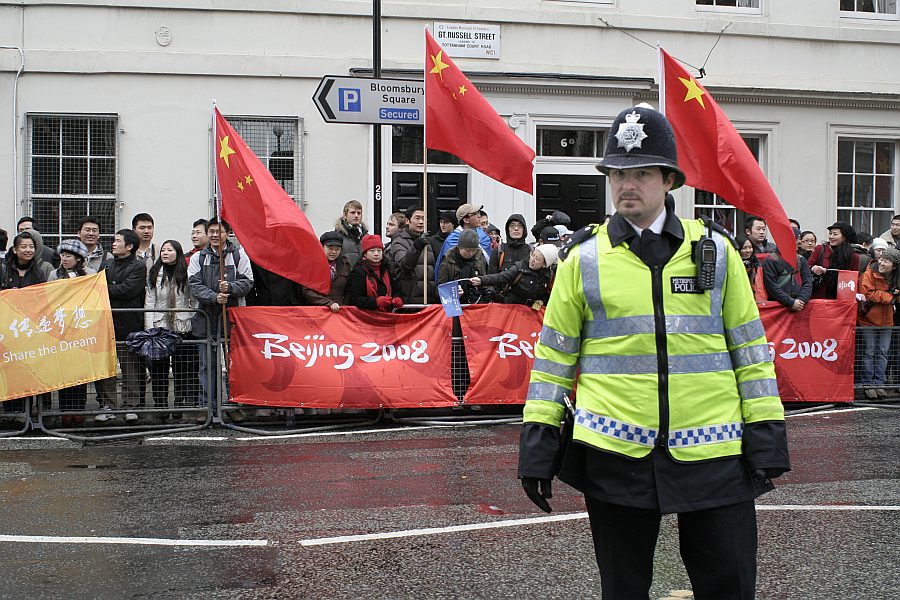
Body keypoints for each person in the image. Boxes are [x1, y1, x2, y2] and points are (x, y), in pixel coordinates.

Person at [518, 105, 789, 600]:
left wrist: (766, 435)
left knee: (729, 585)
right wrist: (538, 446)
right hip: (615, 453)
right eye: (618, 173)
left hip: (715, 451)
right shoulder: (583, 259)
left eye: (641, 173)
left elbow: (750, 350)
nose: (627, 184)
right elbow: (553, 360)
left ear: (669, 181)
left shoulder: (716, 251)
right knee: (623, 590)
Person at [188, 218, 254, 417]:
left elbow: (248, 281)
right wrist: (215, 296)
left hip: (232, 319)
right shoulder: (198, 257)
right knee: (207, 366)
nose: (216, 235)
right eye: (212, 231)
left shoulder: (238, 255)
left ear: (228, 233)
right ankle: (208, 407)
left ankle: (232, 405)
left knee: (232, 365)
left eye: (220, 231)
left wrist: (231, 288)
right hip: (206, 319)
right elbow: (195, 285)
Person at [0, 230, 54, 417]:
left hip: (33, 329)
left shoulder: (39, 270)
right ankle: (14, 412)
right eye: (23, 246)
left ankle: (40, 411)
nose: (28, 250)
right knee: (12, 369)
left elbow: (43, 298)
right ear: (15, 249)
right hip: (9, 330)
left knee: (37, 368)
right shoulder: (4, 269)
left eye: (31, 246)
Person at [95, 229, 147, 422]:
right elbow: (97, 288)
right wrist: (111, 288)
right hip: (106, 323)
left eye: (118, 241)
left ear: (130, 246)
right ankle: (107, 405)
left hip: (129, 325)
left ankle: (131, 405)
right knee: (106, 367)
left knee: (130, 367)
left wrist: (107, 288)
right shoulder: (106, 264)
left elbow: (128, 290)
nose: (114, 244)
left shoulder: (139, 266)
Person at [145, 240, 197, 414]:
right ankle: (161, 405)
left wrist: (192, 316)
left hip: (182, 326)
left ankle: (179, 403)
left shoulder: (186, 273)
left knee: (182, 367)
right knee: (158, 369)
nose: (165, 253)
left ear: (178, 252)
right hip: (159, 326)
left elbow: (194, 298)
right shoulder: (154, 273)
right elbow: (150, 301)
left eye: (170, 250)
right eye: (163, 250)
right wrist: (149, 327)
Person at [47, 239, 95, 419]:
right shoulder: (54, 275)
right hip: (61, 328)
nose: (64, 259)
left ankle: (78, 409)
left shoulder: (89, 273)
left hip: (82, 327)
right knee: (63, 371)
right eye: (62, 255)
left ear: (78, 258)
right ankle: (65, 410)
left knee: (80, 371)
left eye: (68, 256)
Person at [857, 248, 900, 399]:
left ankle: (879, 383)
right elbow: (867, 293)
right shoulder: (869, 273)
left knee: (883, 352)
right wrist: (890, 298)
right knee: (869, 352)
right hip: (868, 319)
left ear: (894, 265)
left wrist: (896, 296)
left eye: (886, 261)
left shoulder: (896, 277)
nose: (881, 262)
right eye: (881, 259)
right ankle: (868, 384)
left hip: (887, 320)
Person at [470, 244, 557, 309]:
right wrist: (481, 280)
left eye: (537, 259)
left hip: (531, 314)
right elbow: (501, 277)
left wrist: (542, 301)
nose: (532, 260)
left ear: (545, 265)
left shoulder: (549, 275)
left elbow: (549, 295)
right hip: (512, 309)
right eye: (532, 255)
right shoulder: (519, 268)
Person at [386, 206, 436, 304]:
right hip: (409, 299)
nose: (421, 222)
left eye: (423, 219)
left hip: (427, 299)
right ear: (407, 221)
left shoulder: (428, 243)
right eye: (417, 218)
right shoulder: (399, 241)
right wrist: (417, 247)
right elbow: (405, 265)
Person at [346, 234, 403, 311]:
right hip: (366, 316)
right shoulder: (358, 272)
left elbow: (396, 289)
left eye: (379, 251)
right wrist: (375, 302)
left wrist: (397, 298)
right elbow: (354, 299)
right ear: (365, 254)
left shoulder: (387, 269)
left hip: (387, 314)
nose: (376, 254)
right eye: (372, 251)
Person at [809, 221, 865, 299]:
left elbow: (853, 278)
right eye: (830, 233)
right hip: (819, 297)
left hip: (841, 298)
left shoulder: (853, 256)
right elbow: (807, 266)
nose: (831, 236)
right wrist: (814, 268)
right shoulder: (820, 249)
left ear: (844, 237)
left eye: (835, 234)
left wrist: (857, 294)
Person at [434, 203, 492, 278]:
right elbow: (445, 270)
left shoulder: (482, 235)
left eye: (479, 213)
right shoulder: (453, 240)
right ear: (466, 220)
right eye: (475, 214)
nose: (479, 216)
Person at [437, 229, 490, 304]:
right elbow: (440, 289)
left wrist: (486, 290)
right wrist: (454, 293)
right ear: (459, 247)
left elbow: (484, 281)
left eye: (474, 250)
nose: (471, 253)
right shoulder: (447, 263)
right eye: (468, 250)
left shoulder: (478, 261)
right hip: (454, 306)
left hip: (475, 305)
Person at [761, 245, 813, 311]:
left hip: (800, 304)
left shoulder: (801, 259)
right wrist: (791, 302)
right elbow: (771, 285)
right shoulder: (770, 260)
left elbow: (808, 282)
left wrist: (801, 300)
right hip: (778, 305)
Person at [319, 231, 351, 306]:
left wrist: (344, 305)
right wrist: (329, 303)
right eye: (330, 248)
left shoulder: (345, 265)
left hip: (340, 309)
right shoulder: (314, 265)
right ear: (322, 247)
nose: (333, 252)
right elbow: (307, 291)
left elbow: (349, 289)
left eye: (337, 249)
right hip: (318, 310)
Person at [334, 200, 368, 268]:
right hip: (345, 276)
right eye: (353, 213)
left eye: (359, 213)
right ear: (345, 215)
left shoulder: (366, 236)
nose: (356, 216)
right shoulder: (337, 237)